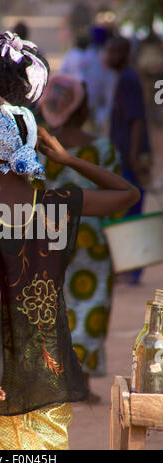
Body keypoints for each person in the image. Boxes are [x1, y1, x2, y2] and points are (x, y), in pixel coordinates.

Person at [0, 103, 139, 449]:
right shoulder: (59, 204)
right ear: (35, 147)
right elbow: (128, 195)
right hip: (48, 362)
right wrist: (69, 160)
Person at [38, 73, 122, 402]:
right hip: (93, 243)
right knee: (93, 303)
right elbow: (118, 195)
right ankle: (79, 381)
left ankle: (55, 378)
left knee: (54, 304)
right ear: (81, 107)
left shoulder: (39, 146)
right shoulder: (100, 148)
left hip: (49, 239)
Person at [105, 36, 152, 284]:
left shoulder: (128, 80)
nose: (108, 57)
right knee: (127, 211)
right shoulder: (124, 78)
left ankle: (132, 271)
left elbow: (136, 121)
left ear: (123, 54)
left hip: (129, 158)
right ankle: (129, 268)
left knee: (130, 211)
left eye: (113, 53)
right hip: (123, 156)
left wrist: (132, 156)